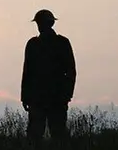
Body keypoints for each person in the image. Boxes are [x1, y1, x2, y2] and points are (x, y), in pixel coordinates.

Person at [21, 9, 77, 140]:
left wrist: (67, 95)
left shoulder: (58, 43)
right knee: (41, 135)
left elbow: (70, 71)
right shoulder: (36, 44)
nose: (40, 26)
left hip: (51, 98)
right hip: (43, 98)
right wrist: (25, 96)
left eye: (41, 23)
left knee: (54, 135)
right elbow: (27, 72)